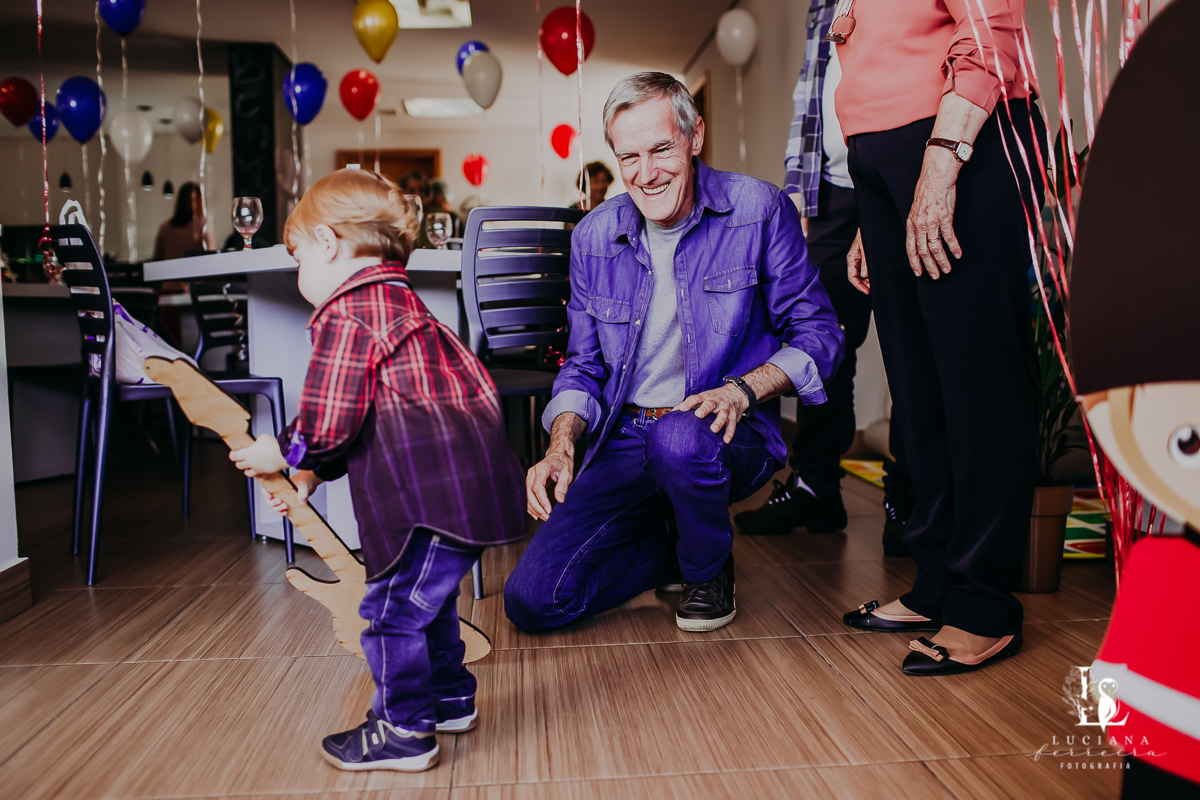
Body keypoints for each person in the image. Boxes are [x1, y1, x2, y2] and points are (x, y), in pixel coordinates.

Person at [503, 72, 843, 634]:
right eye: (628, 156)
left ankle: (707, 571)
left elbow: (821, 334)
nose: (645, 173)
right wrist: (561, 444)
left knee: (678, 438)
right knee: (534, 601)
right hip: (625, 436)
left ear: (695, 136)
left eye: (661, 148)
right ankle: (678, 546)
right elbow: (584, 364)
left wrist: (743, 390)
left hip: (725, 433)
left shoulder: (758, 209)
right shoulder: (593, 236)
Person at [228, 168, 525, 771]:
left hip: (428, 498)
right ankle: (447, 698)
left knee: (390, 612)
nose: (300, 273)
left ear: (329, 242)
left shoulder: (347, 313)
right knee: (430, 602)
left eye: (299, 256)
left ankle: (402, 731)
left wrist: (281, 451)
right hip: (472, 491)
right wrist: (307, 478)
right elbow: (362, 417)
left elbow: (330, 419)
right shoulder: (404, 302)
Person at [835, 1, 1046, 675]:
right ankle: (937, 583)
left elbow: (993, 25)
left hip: (960, 142)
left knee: (977, 382)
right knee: (919, 388)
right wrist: (876, 212)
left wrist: (944, 157)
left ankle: (984, 605)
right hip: (885, 166)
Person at [733, 0, 914, 554]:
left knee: (910, 341)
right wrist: (796, 188)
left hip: (902, 173)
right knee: (822, 339)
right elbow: (808, 94)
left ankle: (910, 496)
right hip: (830, 193)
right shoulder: (822, 6)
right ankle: (815, 485)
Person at [151, 182, 216, 261]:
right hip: (180, 271)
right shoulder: (165, 228)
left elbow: (211, 254)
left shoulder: (202, 226)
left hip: (180, 271)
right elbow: (212, 256)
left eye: (195, 200)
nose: (193, 204)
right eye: (191, 200)